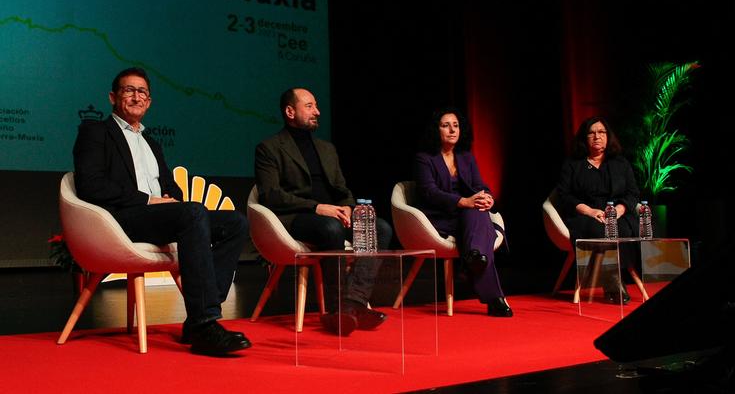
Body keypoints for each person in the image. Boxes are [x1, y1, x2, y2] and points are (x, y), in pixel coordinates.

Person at [73, 67, 251, 356]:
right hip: (121, 220)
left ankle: (197, 319)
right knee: (192, 214)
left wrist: (171, 199)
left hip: (160, 218)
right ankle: (205, 324)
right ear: (112, 97)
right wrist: (147, 201)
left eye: (142, 91)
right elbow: (90, 185)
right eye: (129, 90)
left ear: (149, 101)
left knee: (235, 223)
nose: (136, 96)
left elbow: (170, 185)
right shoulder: (95, 132)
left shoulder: (151, 142)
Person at [254, 87, 392, 335]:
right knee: (329, 228)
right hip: (296, 218)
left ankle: (353, 302)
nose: (317, 111)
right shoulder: (269, 148)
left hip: (334, 215)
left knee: (379, 227)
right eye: (309, 106)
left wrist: (350, 209)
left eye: (316, 106)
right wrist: (317, 207)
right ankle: (337, 308)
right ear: (290, 111)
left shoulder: (327, 149)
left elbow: (342, 189)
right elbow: (271, 195)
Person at [413, 108, 513, 317]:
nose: (452, 130)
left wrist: (487, 197)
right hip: (438, 216)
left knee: (478, 210)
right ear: (436, 130)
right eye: (445, 125)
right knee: (480, 220)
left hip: (466, 216)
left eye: (456, 125)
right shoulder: (425, 158)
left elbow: (480, 185)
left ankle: (473, 257)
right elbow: (429, 192)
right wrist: (464, 201)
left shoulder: (466, 157)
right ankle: (493, 295)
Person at [556, 116, 639, 303]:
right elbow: (564, 196)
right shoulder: (572, 164)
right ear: (584, 138)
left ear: (608, 137)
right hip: (584, 215)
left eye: (601, 132)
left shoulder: (621, 163)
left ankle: (613, 280)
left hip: (617, 214)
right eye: (591, 133)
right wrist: (590, 211)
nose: (597, 136)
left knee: (622, 230)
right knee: (597, 230)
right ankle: (613, 282)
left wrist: (618, 210)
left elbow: (633, 193)